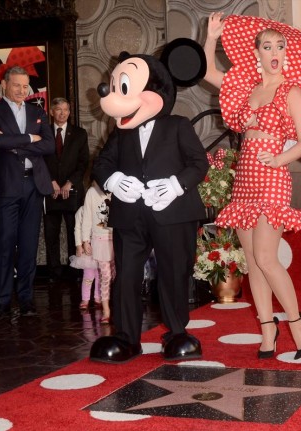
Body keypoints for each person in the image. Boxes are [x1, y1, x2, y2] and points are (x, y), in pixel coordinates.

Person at [204, 13, 301, 359]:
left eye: (280, 45)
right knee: (251, 262)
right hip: (245, 177)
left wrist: (279, 160)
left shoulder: (293, 92)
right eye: (268, 45)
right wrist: (211, 37)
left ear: (286, 52)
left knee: (265, 256)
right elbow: (208, 72)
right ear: (257, 51)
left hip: (273, 176)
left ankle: (299, 326)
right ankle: (267, 333)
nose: (274, 51)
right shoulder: (247, 88)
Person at [90, 40, 209, 363]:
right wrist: (114, 180)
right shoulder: (121, 133)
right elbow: (101, 164)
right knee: (126, 274)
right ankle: (127, 337)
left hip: (172, 214)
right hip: (130, 216)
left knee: (173, 272)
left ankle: (177, 332)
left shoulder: (178, 126)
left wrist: (175, 185)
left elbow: (199, 164)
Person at [0, 66, 55, 320]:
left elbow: (49, 145)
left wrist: (16, 142)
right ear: (4, 84)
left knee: (28, 245)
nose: (23, 91)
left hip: (34, 185)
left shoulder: (37, 111)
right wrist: (30, 139)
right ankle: (2, 302)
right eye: (17, 85)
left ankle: (26, 299)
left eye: (26, 86)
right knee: (5, 245)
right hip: (6, 186)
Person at [43, 97, 90, 281]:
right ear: (52, 112)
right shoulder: (44, 132)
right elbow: (40, 161)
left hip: (72, 191)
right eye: (58, 109)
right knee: (51, 234)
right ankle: (54, 273)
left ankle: (75, 271)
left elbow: (83, 162)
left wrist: (70, 182)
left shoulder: (79, 133)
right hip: (51, 191)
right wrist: (51, 182)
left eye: (66, 110)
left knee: (74, 231)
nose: (62, 113)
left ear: (69, 112)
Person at [79, 181, 114, 323]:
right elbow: (86, 217)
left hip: (118, 239)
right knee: (105, 275)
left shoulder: (116, 189)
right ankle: (106, 310)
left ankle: (116, 305)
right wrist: (85, 240)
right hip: (100, 240)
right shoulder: (92, 193)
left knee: (116, 275)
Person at [70, 206, 100, 311]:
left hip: (100, 246)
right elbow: (77, 228)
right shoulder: (81, 210)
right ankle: (85, 299)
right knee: (88, 275)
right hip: (87, 248)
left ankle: (98, 297)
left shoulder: (101, 207)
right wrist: (79, 245)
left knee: (100, 275)